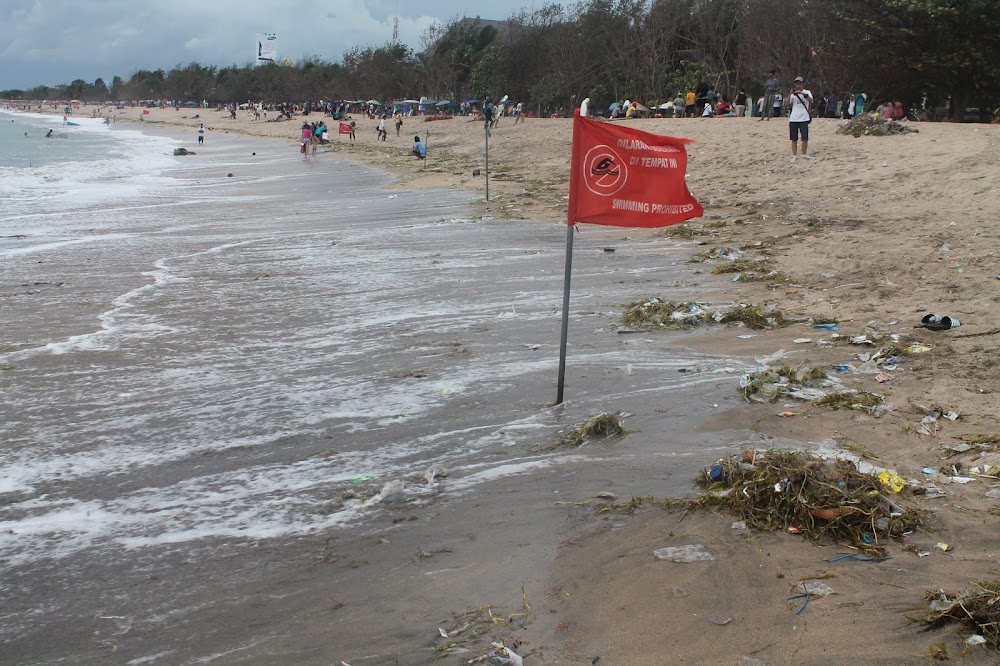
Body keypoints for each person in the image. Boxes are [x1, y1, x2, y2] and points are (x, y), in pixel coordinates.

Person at [787, 76, 812, 162]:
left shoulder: (807, 92)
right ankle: (794, 155)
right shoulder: (793, 94)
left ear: (802, 84)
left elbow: (811, 100)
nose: (798, 85)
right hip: (794, 118)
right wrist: (790, 94)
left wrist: (801, 93)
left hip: (804, 117)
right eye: (797, 84)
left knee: (804, 137)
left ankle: (804, 154)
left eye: (799, 84)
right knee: (794, 138)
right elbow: (787, 103)